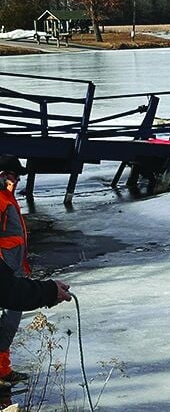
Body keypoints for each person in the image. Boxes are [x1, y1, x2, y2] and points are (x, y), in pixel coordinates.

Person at [0, 155, 46, 389]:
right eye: (14, 176)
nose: (17, 180)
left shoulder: (6, 197)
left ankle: (3, 370)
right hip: (4, 272)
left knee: (9, 320)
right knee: (8, 319)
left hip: (12, 268)